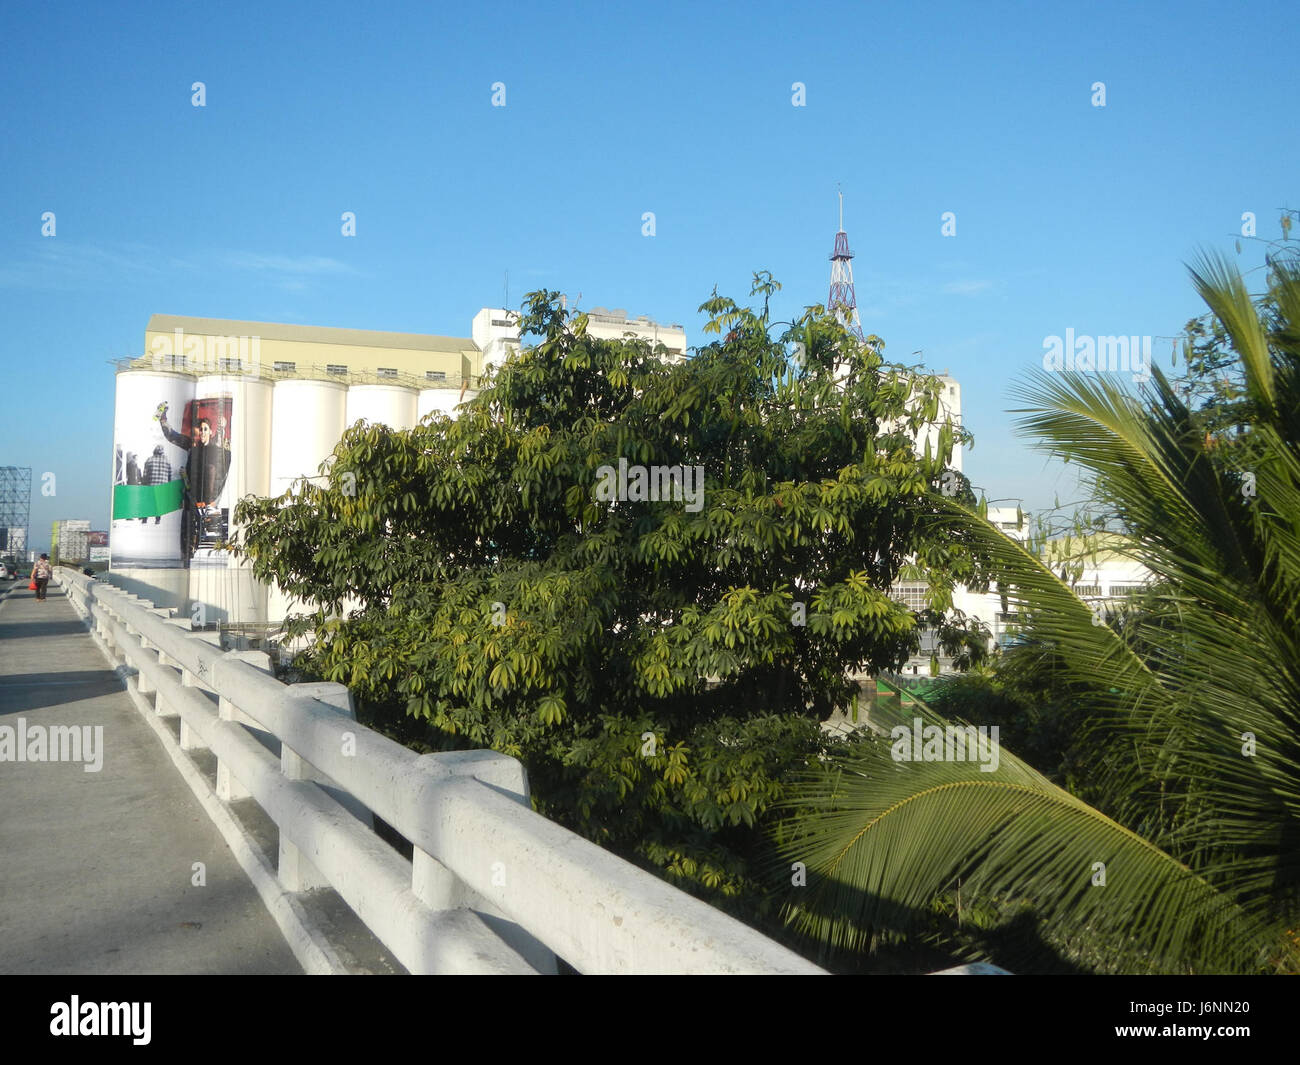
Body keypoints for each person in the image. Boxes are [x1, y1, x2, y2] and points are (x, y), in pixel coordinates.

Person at [141, 444, 173, 524]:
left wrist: (144, 484)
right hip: (162, 486)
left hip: (151, 485)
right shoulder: (167, 461)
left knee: (148, 502)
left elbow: (145, 474)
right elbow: (170, 474)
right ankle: (157, 519)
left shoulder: (149, 460)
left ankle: (145, 519)